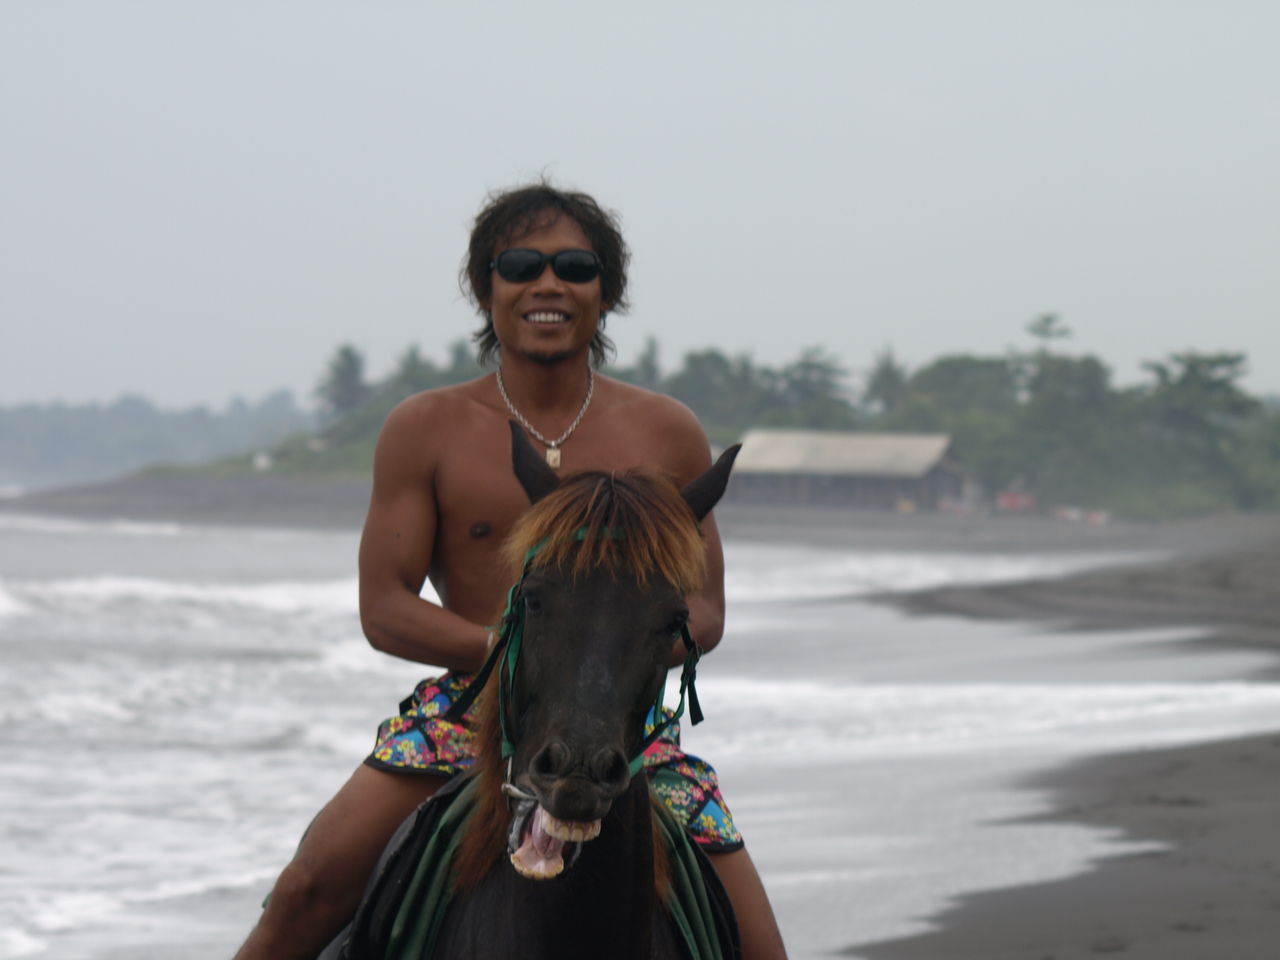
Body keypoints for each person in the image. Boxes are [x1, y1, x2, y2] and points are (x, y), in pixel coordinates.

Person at [234, 182, 787, 959]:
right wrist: (517, 649)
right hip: (465, 715)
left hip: (626, 730)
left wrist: (601, 661)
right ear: (485, 288)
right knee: (304, 893)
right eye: (522, 266)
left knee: (763, 950)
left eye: (575, 267)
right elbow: (385, 608)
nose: (547, 284)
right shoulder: (426, 427)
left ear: (606, 292)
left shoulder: (665, 431)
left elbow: (706, 612)